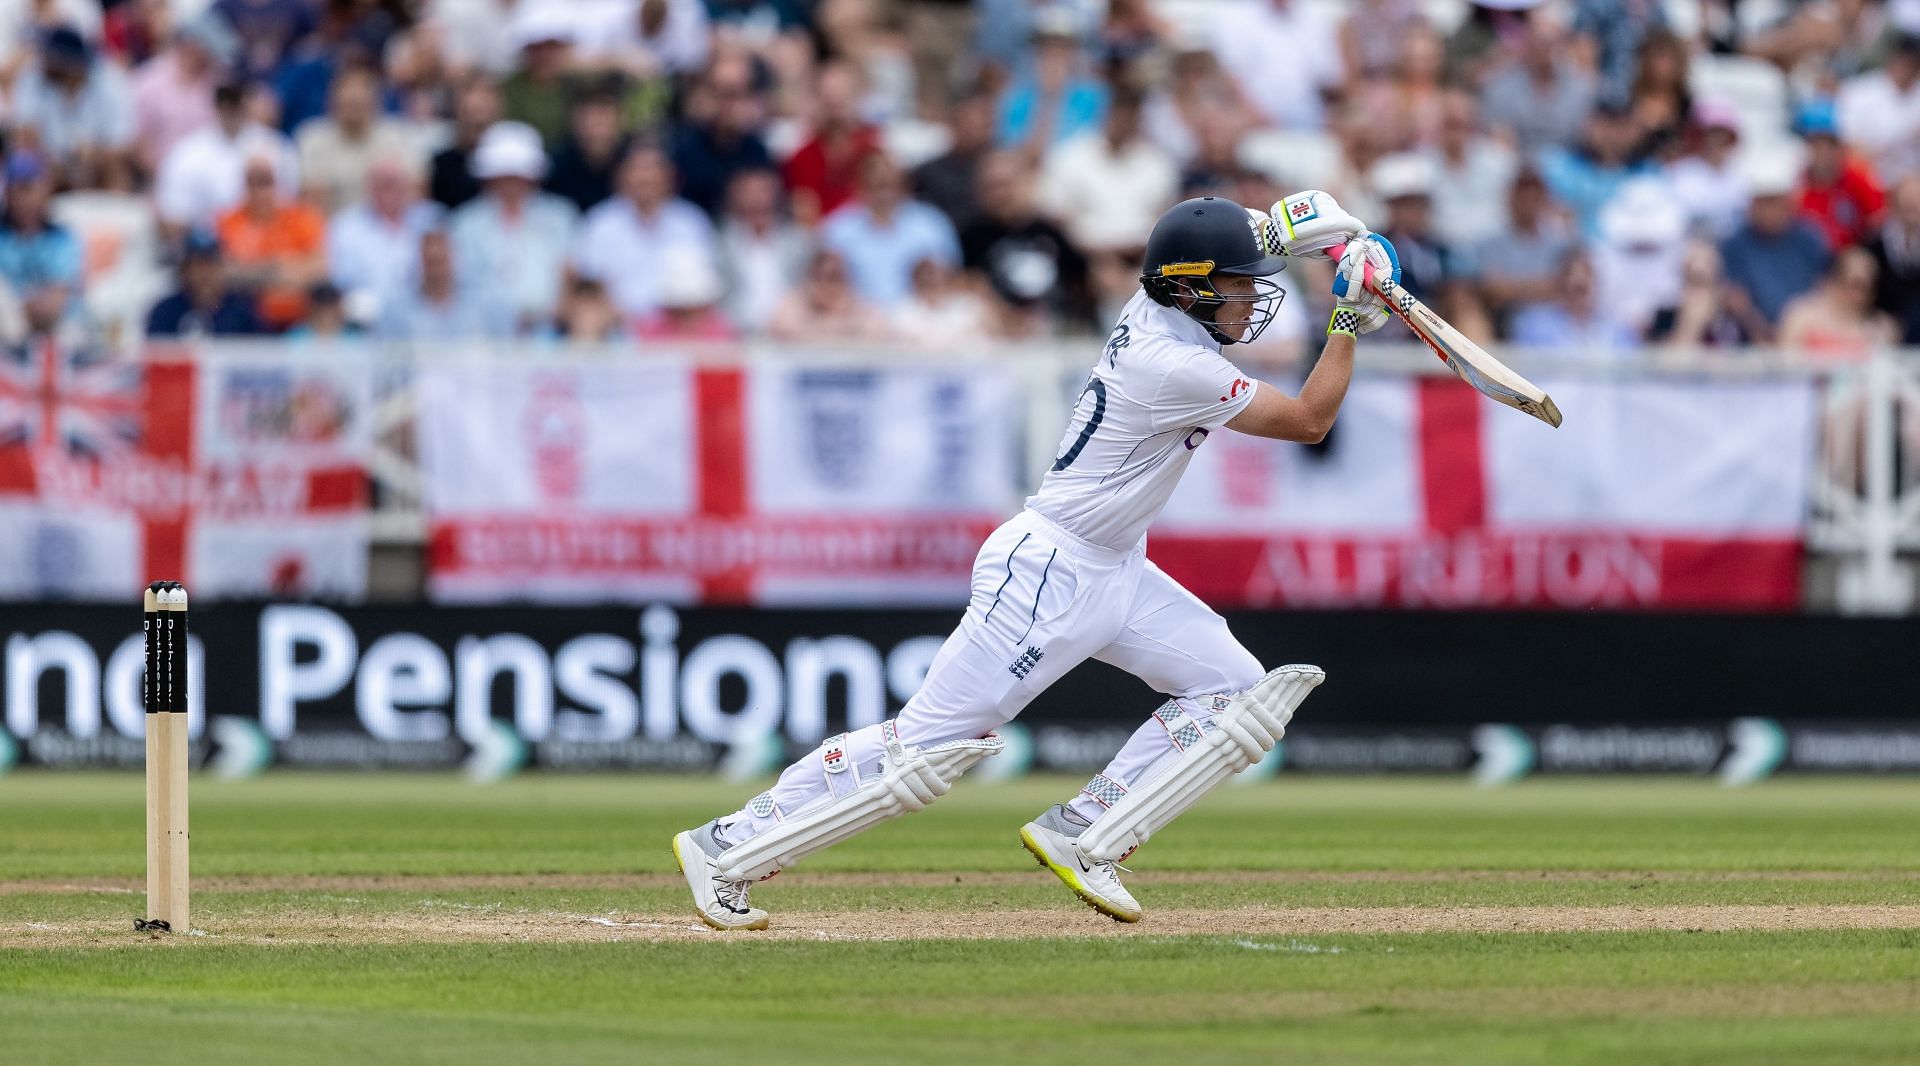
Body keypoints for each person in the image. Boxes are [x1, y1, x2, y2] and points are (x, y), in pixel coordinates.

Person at [672, 192, 1402, 930]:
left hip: (1116, 566)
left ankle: (1086, 830)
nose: (1251, 298)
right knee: (925, 749)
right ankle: (727, 842)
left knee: (1235, 692)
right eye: (1237, 285)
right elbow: (1309, 421)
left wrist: (1332, 238)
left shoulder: (1160, 308)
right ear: (1188, 289)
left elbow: (1250, 233)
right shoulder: (1173, 363)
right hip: (1050, 572)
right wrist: (1346, 316)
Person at [448, 121, 579, 333]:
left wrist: (554, 314)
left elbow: (572, 277)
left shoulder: (560, 217)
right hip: (481, 333)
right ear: (489, 177)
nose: (511, 184)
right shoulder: (465, 223)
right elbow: (460, 285)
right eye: (503, 176)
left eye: (518, 176)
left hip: (549, 334)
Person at [572, 143, 719, 320]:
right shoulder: (601, 222)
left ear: (669, 176)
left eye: (652, 168)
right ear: (621, 175)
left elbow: (704, 285)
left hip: (680, 323)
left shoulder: (691, 222)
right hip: (615, 327)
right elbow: (591, 285)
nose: (645, 177)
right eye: (637, 169)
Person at [154, 79, 300, 237]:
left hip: (269, 243)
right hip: (208, 246)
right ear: (216, 105)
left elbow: (290, 205)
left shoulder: (276, 147)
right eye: (226, 102)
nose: (231, 109)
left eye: (235, 101)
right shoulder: (187, 153)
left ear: (247, 102)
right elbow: (173, 215)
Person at [819, 152, 961, 308]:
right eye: (876, 185)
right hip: (856, 319)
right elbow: (824, 283)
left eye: (889, 185)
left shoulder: (931, 225)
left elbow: (952, 277)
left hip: (920, 319)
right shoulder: (838, 229)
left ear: (905, 186)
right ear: (860, 186)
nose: (883, 193)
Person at [8, 26, 136, 190]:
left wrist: (94, 155)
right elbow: (23, 133)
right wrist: (50, 158)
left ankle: (115, 211)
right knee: (27, 163)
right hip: (50, 164)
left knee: (118, 168)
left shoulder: (110, 82)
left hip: (97, 163)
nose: (45, 61)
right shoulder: (33, 77)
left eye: (52, 57)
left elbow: (123, 143)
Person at [216, 153, 328, 330]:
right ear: (244, 185)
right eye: (254, 182)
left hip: (300, 320)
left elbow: (318, 270)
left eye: (267, 182)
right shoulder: (226, 222)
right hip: (244, 320)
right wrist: (281, 268)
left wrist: (251, 273)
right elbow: (222, 273)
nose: (261, 191)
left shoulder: (303, 219)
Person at [327, 157, 443, 326]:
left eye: (396, 183)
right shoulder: (346, 226)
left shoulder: (430, 219)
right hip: (366, 320)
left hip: (423, 318)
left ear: (408, 186)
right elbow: (340, 281)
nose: (391, 191)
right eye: (384, 185)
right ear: (369, 188)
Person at [294, 62, 423, 214]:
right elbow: (311, 203)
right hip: (331, 230)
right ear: (331, 100)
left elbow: (416, 192)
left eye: (359, 103)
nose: (354, 95)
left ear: (376, 100)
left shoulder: (398, 135)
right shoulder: (312, 138)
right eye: (348, 103)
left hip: (387, 229)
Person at [1778, 246, 1899, 360]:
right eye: (1855, 284)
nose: (1861, 294)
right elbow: (1787, 366)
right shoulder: (1800, 317)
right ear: (1835, 281)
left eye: (1868, 286)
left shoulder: (1883, 328)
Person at [145, 228, 262, 337]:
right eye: (198, 265)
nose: (205, 273)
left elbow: (261, 351)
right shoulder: (166, 312)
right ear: (184, 270)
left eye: (211, 265)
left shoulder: (242, 311)